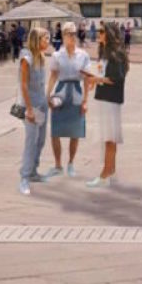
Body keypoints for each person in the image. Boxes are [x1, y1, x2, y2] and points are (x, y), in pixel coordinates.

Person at [46, 22, 90, 177]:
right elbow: (53, 76)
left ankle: (71, 163)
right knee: (55, 131)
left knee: (75, 131)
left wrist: (85, 100)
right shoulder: (57, 55)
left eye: (73, 33)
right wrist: (47, 95)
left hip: (76, 91)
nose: (72, 36)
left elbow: (86, 79)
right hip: (61, 91)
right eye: (68, 33)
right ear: (63, 36)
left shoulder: (83, 55)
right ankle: (58, 164)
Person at [89, 21, 129, 187]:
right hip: (104, 98)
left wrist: (97, 79)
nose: (99, 34)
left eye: (102, 32)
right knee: (108, 138)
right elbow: (105, 75)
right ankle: (110, 171)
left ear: (109, 34)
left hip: (110, 100)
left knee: (109, 138)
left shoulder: (115, 54)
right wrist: (95, 80)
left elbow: (117, 79)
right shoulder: (106, 53)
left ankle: (105, 173)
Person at [18, 27, 51, 195]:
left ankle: (33, 171)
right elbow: (24, 85)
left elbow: (41, 84)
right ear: (36, 40)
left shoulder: (41, 58)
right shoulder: (27, 59)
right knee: (31, 141)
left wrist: (48, 99)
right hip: (31, 106)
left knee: (41, 140)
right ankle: (24, 177)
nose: (48, 42)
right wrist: (29, 109)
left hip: (42, 103)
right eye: (45, 39)